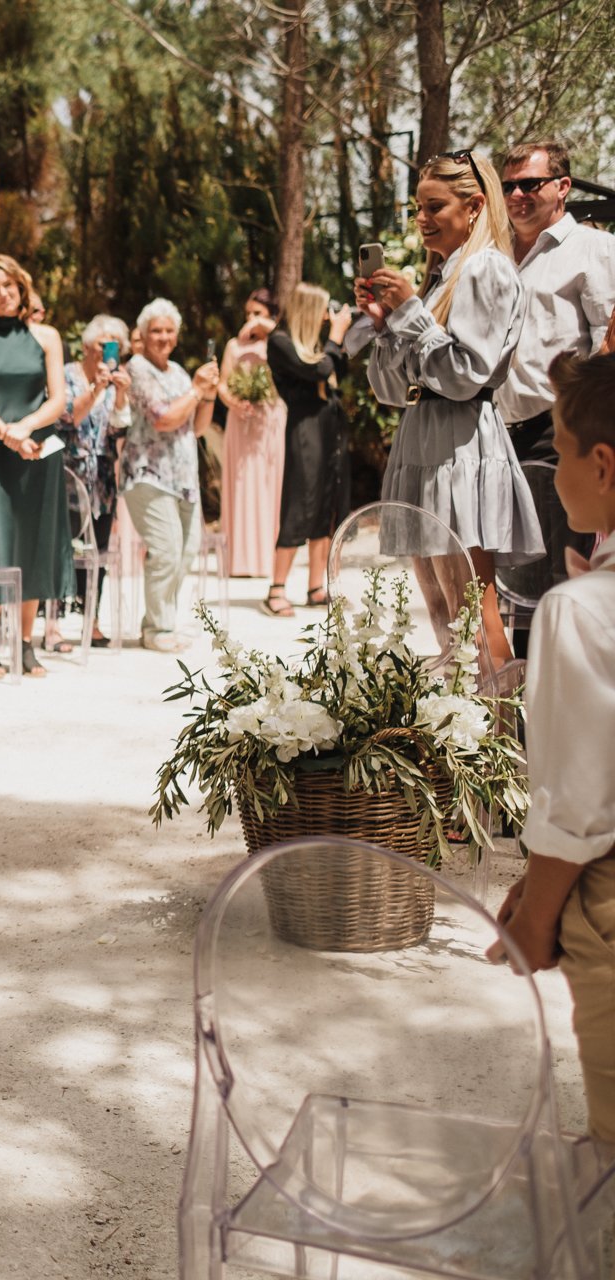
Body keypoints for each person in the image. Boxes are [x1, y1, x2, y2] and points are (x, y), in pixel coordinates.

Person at [488, 350, 615, 1141]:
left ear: (603, 466)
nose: (552, 466)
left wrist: (535, 918)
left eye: (559, 448)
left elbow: (578, 805)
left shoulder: (581, 610)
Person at [361, 149, 544, 668]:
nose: (422, 219)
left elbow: (465, 374)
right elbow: (392, 390)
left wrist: (412, 314)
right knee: (441, 606)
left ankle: (502, 735)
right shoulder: (440, 275)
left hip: (460, 442)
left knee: (472, 604)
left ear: (473, 207)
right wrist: (384, 323)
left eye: (434, 206)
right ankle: (462, 731)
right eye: (417, 207)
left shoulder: (484, 268)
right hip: (423, 437)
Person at [0, 254, 69, 677]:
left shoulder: (47, 336)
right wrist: (8, 434)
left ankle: (24, 643)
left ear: (22, 286)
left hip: (38, 449)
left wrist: (25, 429)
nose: (3, 294)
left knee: (35, 544)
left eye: (10, 286)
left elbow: (57, 399)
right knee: (1, 544)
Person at [497, 140, 615, 466]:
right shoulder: (492, 256)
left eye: (529, 184)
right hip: (491, 435)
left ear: (563, 186)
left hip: (558, 432)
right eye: (508, 186)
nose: (515, 195)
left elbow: (607, 349)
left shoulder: (597, 249)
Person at [122, 298, 221, 652]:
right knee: (165, 550)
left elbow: (196, 428)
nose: (163, 337)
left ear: (176, 336)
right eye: (155, 331)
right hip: (148, 475)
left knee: (187, 550)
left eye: (168, 330)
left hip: (183, 477)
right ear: (143, 336)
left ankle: (160, 621)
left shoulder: (177, 371)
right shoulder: (136, 369)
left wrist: (207, 395)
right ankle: (157, 628)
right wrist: (196, 390)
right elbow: (163, 417)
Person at [261, 284, 354, 617]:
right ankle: (276, 588)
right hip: (305, 427)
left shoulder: (316, 342)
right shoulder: (280, 342)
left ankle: (316, 585)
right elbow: (319, 370)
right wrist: (336, 336)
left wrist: (338, 337)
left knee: (328, 502)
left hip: (330, 424)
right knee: (301, 500)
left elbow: (338, 369)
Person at [60, 314, 132, 646]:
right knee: (63, 547)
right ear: (88, 345)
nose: (108, 351)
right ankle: (55, 622)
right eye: (103, 344)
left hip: (102, 476)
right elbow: (67, 417)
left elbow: (118, 430)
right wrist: (97, 389)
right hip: (67, 473)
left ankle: (92, 620)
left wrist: (119, 395)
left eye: (115, 345)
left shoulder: (116, 381)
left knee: (98, 551)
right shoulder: (67, 375)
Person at [216, 289, 285, 580]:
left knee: (268, 484)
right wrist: (234, 402)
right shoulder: (233, 346)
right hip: (240, 421)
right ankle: (240, 560)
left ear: (271, 315)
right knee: (241, 482)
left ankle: (267, 558)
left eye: (257, 313)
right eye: (248, 314)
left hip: (269, 419)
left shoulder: (279, 343)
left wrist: (267, 329)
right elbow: (222, 384)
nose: (251, 319)